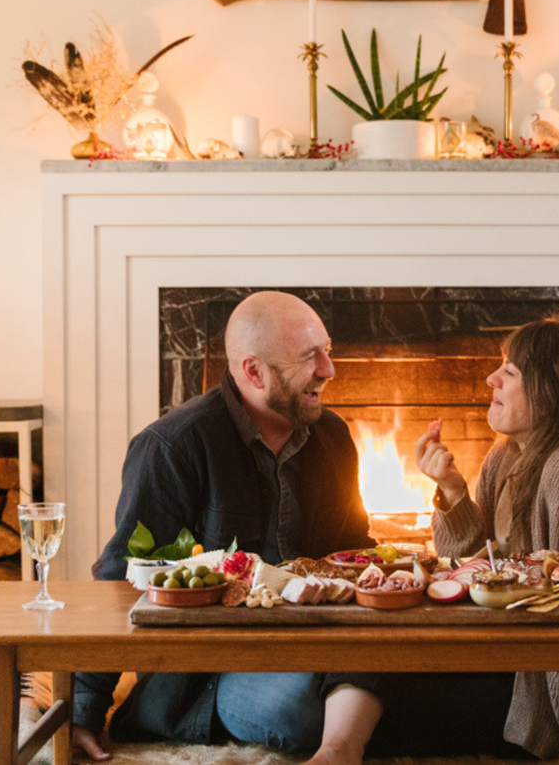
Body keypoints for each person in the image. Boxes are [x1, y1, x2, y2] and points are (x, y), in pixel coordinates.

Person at [72, 290, 379, 762]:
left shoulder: (333, 437)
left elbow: (355, 551)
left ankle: (340, 746)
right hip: (214, 668)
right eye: (309, 357)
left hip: (328, 641)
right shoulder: (173, 446)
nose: (329, 370)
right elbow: (119, 582)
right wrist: (84, 710)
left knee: (453, 679)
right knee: (301, 709)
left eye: (328, 351)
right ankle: (352, 724)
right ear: (253, 371)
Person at [415, 311, 559, 765]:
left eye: (509, 371)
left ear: (552, 390)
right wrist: (452, 491)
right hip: (506, 654)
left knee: (380, 702)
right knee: (375, 678)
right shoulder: (508, 457)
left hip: (555, 690)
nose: (490, 379)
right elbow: (469, 567)